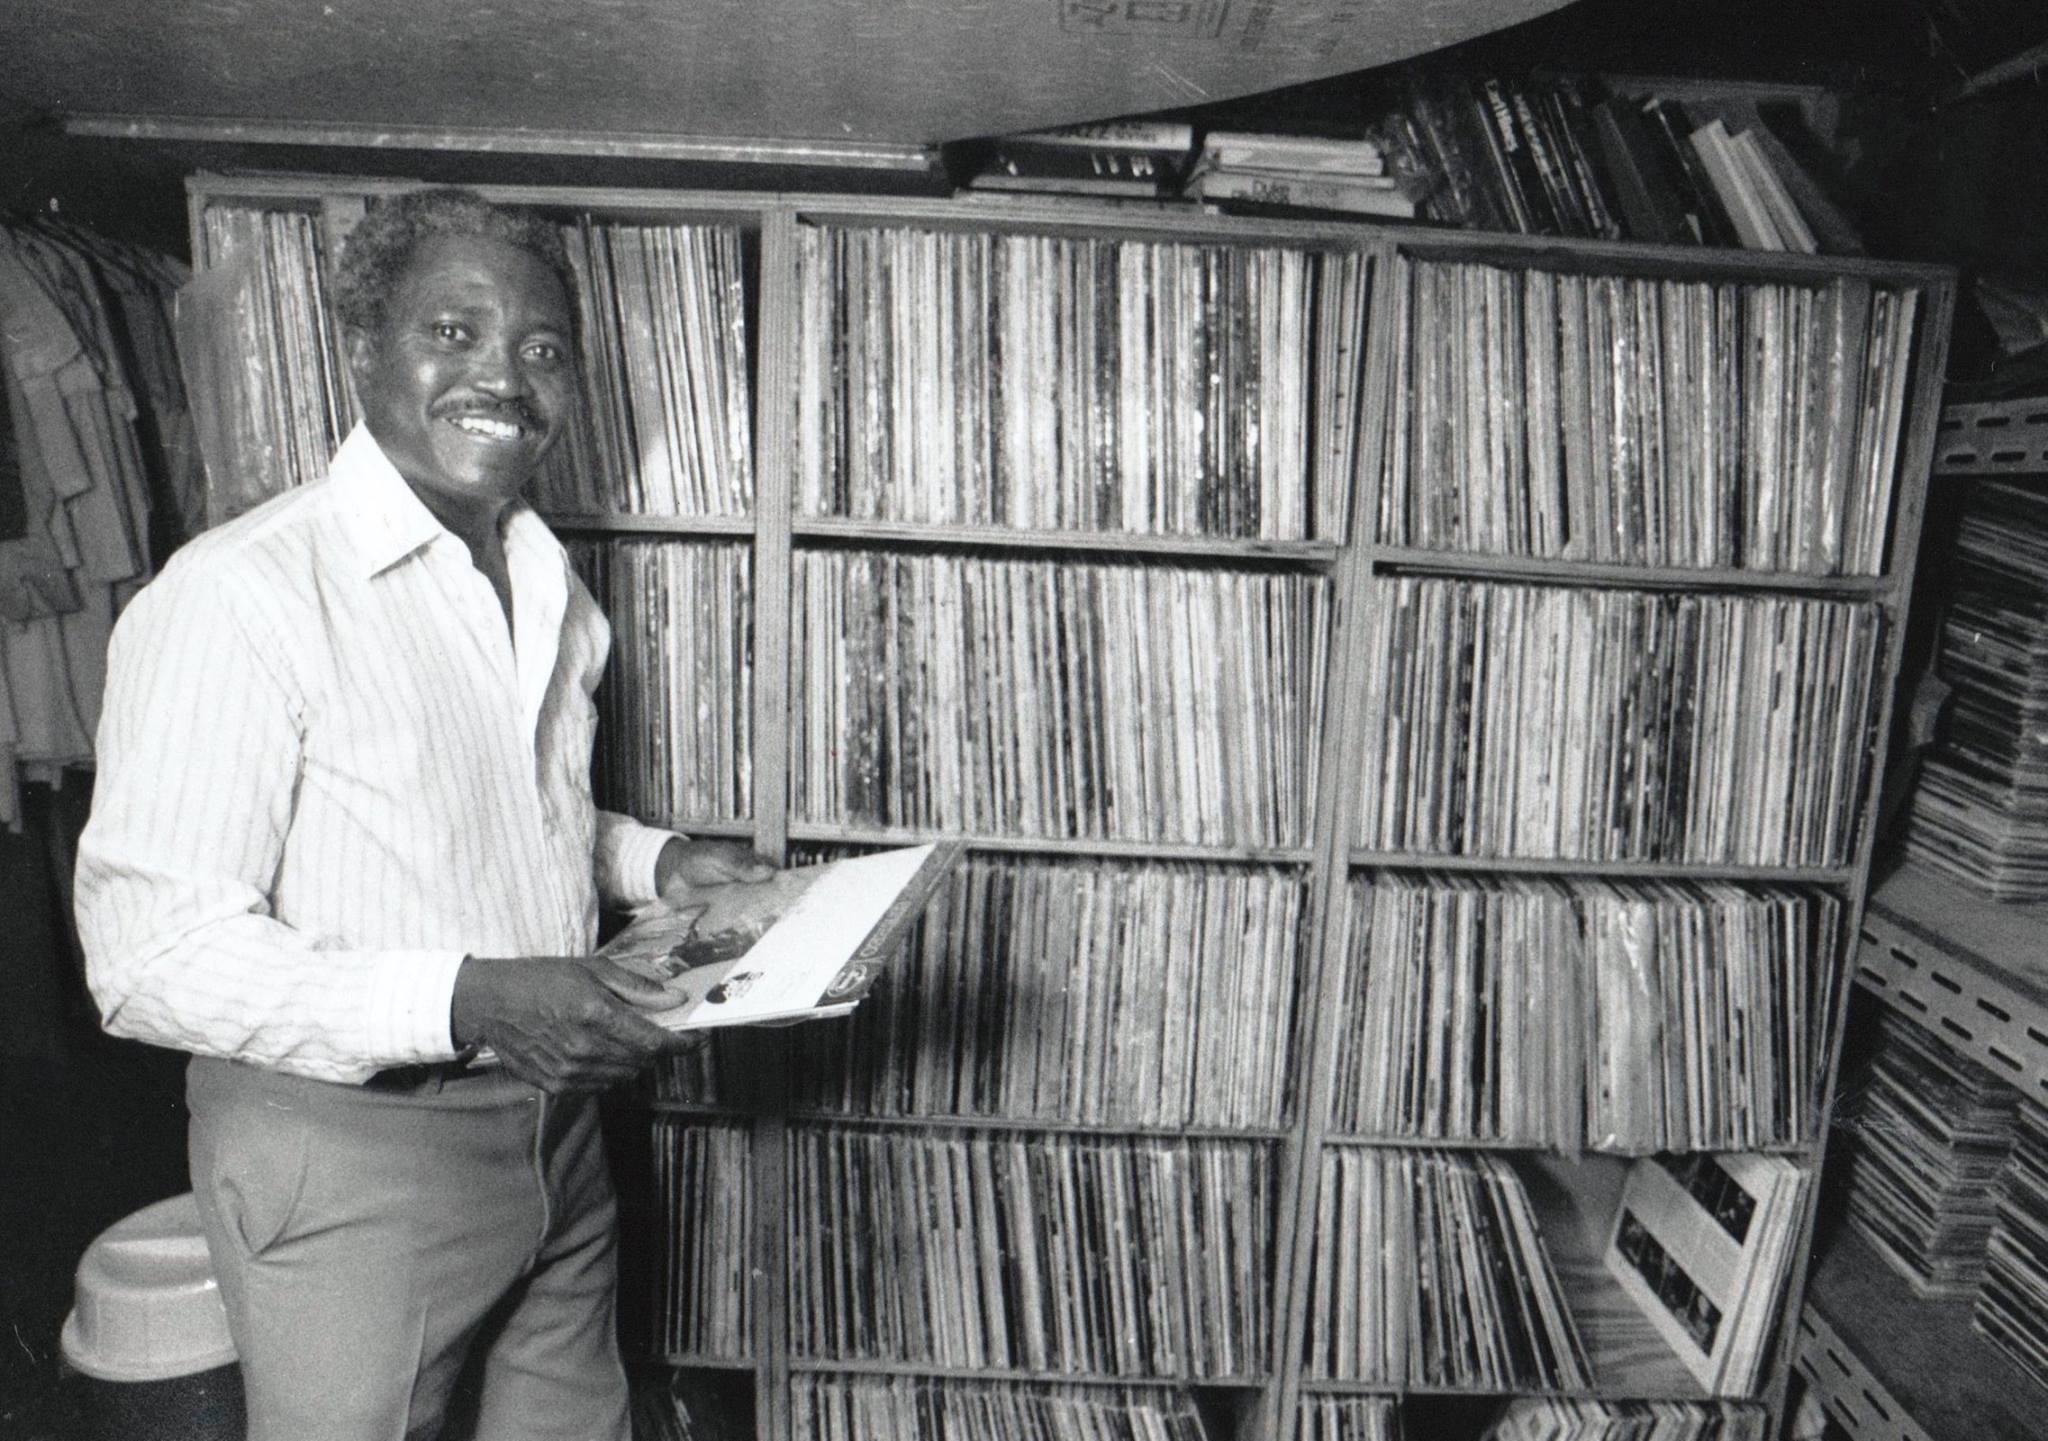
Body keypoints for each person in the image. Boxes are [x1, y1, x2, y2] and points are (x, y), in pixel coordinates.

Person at [73, 186, 767, 1441]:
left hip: (555, 1128)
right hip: (345, 1151)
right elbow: (149, 961)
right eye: (452, 332)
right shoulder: (237, 596)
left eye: (542, 349)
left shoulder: (550, 578)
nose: (503, 376)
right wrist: (467, 999)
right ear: (361, 352)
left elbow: (501, 807)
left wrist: (658, 864)